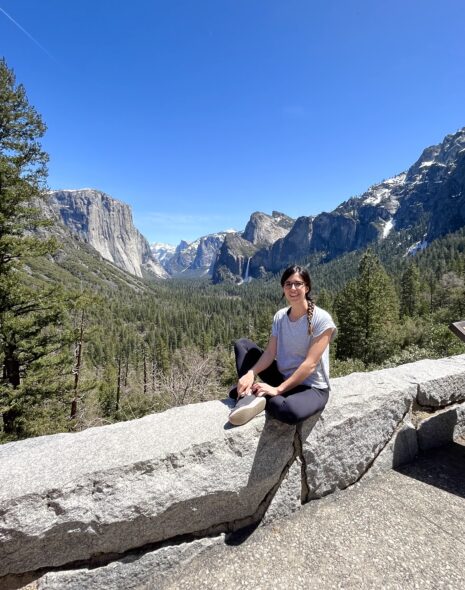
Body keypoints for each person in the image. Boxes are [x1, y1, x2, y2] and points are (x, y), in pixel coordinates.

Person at [228, 265, 337, 426]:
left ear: (306, 287)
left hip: (311, 387)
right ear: (283, 288)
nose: (293, 288)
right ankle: (248, 393)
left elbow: (310, 364)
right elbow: (270, 353)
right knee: (242, 344)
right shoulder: (280, 316)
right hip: (282, 377)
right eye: (288, 284)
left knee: (288, 411)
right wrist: (251, 373)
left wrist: (277, 390)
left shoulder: (321, 319)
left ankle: (258, 396)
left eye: (298, 283)